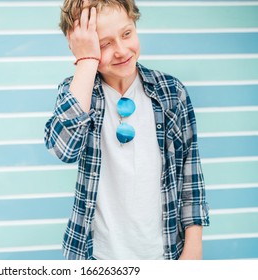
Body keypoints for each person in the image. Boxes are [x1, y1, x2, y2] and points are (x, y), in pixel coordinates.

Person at [44, 0, 209, 260]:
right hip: (95, 257)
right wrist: (86, 61)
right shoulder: (78, 92)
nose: (121, 51)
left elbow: (190, 173)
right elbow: (64, 149)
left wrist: (193, 247)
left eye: (127, 34)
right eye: (104, 44)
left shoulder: (171, 93)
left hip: (164, 254)